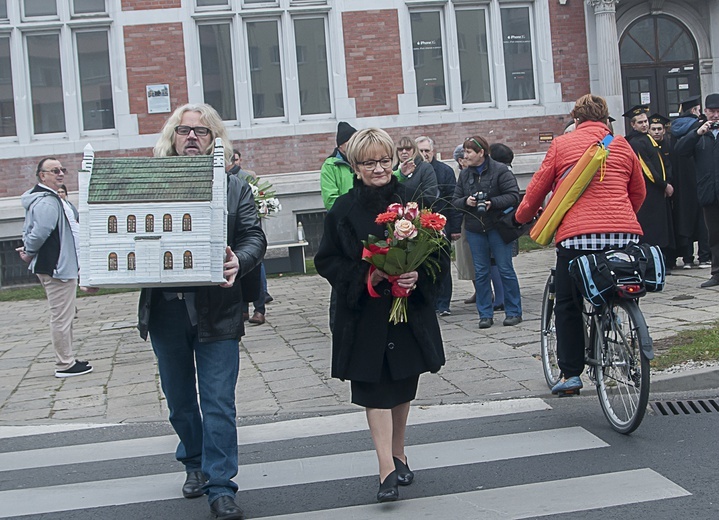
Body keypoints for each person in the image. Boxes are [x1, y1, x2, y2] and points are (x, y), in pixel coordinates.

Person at [139, 103, 266, 520]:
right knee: (178, 401)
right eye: (183, 130)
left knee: (217, 402)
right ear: (172, 139)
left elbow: (253, 237)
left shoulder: (235, 187)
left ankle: (220, 486)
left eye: (202, 131)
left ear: (216, 141)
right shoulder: (151, 183)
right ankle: (193, 460)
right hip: (165, 312)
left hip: (219, 311)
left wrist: (240, 261)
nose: (192, 137)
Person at [314, 128, 446, 504]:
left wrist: (417, 273)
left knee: (403, 383)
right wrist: (366, 275)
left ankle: (399, 453)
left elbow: (437, 252)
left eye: (384, 160)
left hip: (406, 311)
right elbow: (327, 261)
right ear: (355, 166)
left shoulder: (411, 201)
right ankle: (385, 469)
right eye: (369, 162)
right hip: (364, 315)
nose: (379, 168)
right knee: (374, 388)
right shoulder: (343, 209)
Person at [515, 94, 646, 395]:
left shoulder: (562, 145)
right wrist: (622, 220)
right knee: (620, 281)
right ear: (605, 118)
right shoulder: (623, 145)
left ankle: (571, 375)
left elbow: (537, 188)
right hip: (623, 236)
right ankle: (622, 327)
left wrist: (521, 216)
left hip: (577, 237)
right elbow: (637, 192)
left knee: (568, 303)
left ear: (576, 119)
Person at [19, 159, 94, 378]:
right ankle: (64, 363)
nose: (60, 174)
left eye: (62, 170)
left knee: (67, 314)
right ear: (42, 176)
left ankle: (68, 357)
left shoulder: (54, 199)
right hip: (56, 267)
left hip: (62, 264)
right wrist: (28, 252)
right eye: (54, 171)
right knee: (61, 315)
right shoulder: (47, 202)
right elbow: (40, 231)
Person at [452, 135, 523, 329]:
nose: (464, 156)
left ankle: (514, 311)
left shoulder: (500, 170)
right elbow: (455, 200)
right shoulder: (465, 175)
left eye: (468, 152)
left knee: (505, 269)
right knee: (481, 272)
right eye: (464, 152)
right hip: (475, 229)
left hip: (498, 227)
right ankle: (485, 314)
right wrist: (467, 201)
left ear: (481, 153)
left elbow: (513, 196)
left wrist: (492, 203)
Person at [675, 93, 719, 288]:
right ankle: (717, 273)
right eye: (712, 111)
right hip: (709, 192)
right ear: (705, 111)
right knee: (714, 235)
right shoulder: (699, 132)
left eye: (718, 111)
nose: (715, 115)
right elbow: (680, 151)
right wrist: (697, 134)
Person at [415, 136, 461, 316]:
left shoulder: (444, 171)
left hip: (441, 224)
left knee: (442, 264)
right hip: (419, 225)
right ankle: (428, 301)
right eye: (421, 151)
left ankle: (443, 303)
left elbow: (453, 200)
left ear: (433, 152)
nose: (424, 154)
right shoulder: (412, 170)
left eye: (427, 151)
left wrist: (455, 227)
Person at [624, 105, 675, 265]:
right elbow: (647, 168)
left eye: (645, 121)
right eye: (640, 122)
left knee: (661, 226)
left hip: (657, 192)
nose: (644, 125)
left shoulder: (647, 138)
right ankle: (654, 261)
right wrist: (663, 185)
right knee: (652, 229)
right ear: (633, 125)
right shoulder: (636, 142)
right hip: (649, 192)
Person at [670, 96, 712, 271]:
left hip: (680, 182)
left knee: (684, 218)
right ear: (695, 110)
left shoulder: (672, 131)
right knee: (703, 220)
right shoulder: (699, 128)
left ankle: (687, 258)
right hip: (699, 177)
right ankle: (704, 257)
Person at [228, 149, 269, 325]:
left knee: (254, 269)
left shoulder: (247, 178)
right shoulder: (222, 178)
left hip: (249, 229)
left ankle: (260, 308)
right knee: (237, 272)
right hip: (233, 236)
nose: (234, 163)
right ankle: (243, 309)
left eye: (236, 159)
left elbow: (261, 197)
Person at [452, 145, 478, 305]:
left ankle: (486, 291)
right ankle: (479, 290)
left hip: (478, 222)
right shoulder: (458, 175)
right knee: (468, 260)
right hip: (462, 221)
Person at [320, 121, 357, 211]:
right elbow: (330, 200)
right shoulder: (330, 166)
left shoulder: (363, 160)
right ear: (341, 145)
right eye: (350, 142)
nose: (354, 145)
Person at [394, 136, 438, 208]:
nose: (404, 152)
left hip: (420, 214)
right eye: (400, 149)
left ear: (414, 150)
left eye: (408, 148)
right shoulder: (393, 170)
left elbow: (430, 197)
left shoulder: (425, 168)